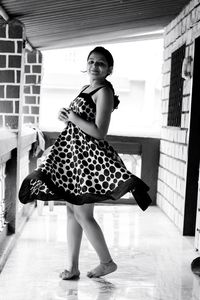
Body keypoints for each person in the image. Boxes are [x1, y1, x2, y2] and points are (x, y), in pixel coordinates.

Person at [19, 46, 152, 280]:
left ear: (109, 69)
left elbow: (99, 132)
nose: (94, 66)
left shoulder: (105, 91)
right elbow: (78, 124)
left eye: (100, 63)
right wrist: (66, 118)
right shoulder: (86, 88)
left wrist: (73, 117)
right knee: (72, 211)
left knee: (83, 215)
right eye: (91, 61)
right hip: (74, 157)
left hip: (88, 160)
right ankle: (72, 267)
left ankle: (107, 262)